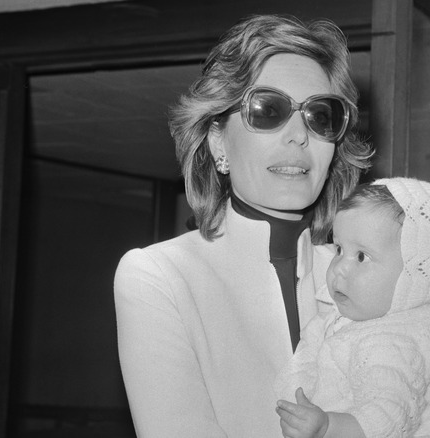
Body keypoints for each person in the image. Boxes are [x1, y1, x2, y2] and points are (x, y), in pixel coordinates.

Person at [113, 14, 372, 437]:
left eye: (320, 115)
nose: (299, 136)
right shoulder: (159, 276)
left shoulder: (371, 273)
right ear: (218, 140)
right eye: (268, 110)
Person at [275, 178, 430, 438]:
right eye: (339, 248)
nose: (338, 266)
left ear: (413, 276)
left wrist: (328, 427)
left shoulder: (393, 341)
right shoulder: (373, 307)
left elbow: (388, 419)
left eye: (362, 256)